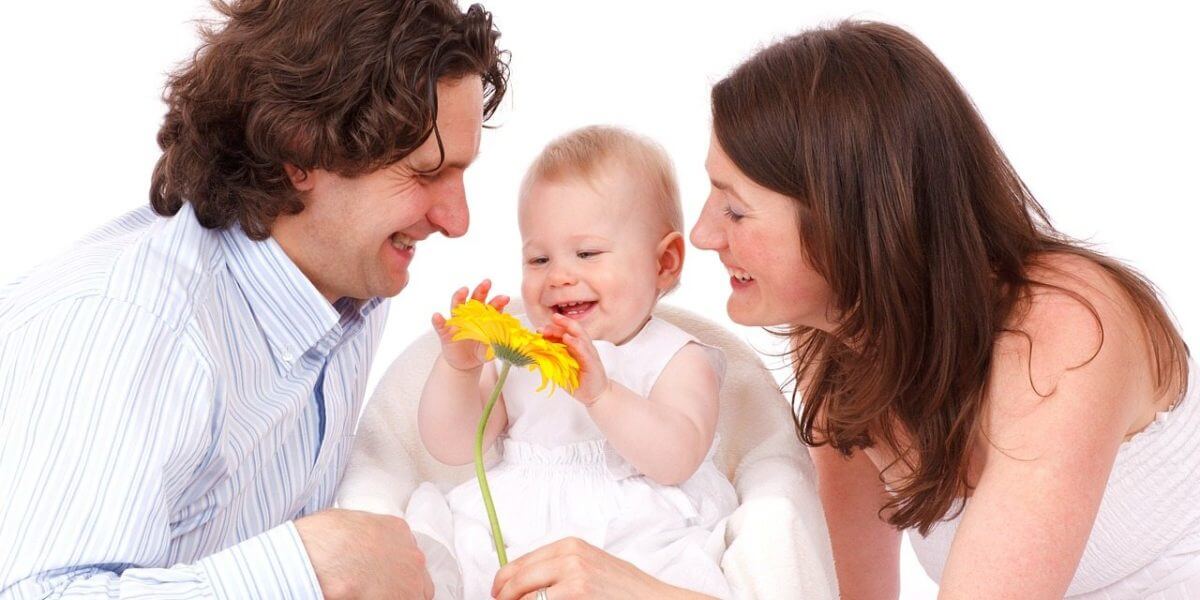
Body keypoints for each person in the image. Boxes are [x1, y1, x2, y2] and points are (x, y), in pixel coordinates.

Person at [491, 20, 1199, 600]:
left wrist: (645, 592)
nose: (703, 235)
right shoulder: (839, 347)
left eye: (736, 207)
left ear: (848, 222)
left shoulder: (1065, 334)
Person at [0, 1, 507, 598]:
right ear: (301, 154)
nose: (457, 220)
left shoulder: (347, 287)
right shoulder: (122, 325)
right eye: (424, 173)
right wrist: (306, 572)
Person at [405, 126, 738, 599]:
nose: (559, 276)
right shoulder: (524, 353)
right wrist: (459, 368)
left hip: (631, 538)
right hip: (513, 526)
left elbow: (677, 458)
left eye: (587, 253)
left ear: (664, 262)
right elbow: (454, 445)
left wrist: (601, 395)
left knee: (674, 568)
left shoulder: (676, 357)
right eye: (538, 259)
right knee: (457, 554)